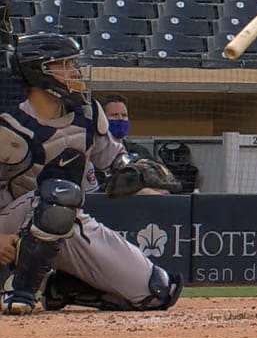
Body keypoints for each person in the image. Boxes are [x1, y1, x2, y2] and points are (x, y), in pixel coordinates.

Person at [0, 32, 182, 314]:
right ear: (40, 73)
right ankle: (19, 292)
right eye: (65, 65)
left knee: (157, 292)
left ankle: (60, 287)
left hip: (66, 219)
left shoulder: (88, 112)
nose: (75, 72)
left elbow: (114, 160)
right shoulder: (9, 126)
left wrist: (134, 170)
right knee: (60, 194)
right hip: (9, 222)